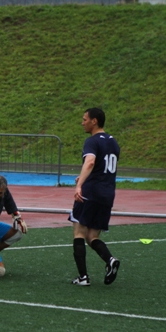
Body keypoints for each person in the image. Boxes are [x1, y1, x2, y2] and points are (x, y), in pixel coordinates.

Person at [69, 107, 121, 286]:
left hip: (91, 192)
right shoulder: (114, 142)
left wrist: (79, 185)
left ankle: (83, 277)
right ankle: (110, 260)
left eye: (84, 119)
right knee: (93, 236)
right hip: (107, 193)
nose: (82, 122)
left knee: (79, 233)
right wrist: (84, 176)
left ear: (94, 121)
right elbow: (101, 168)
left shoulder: (91, 141)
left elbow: (90, 162)